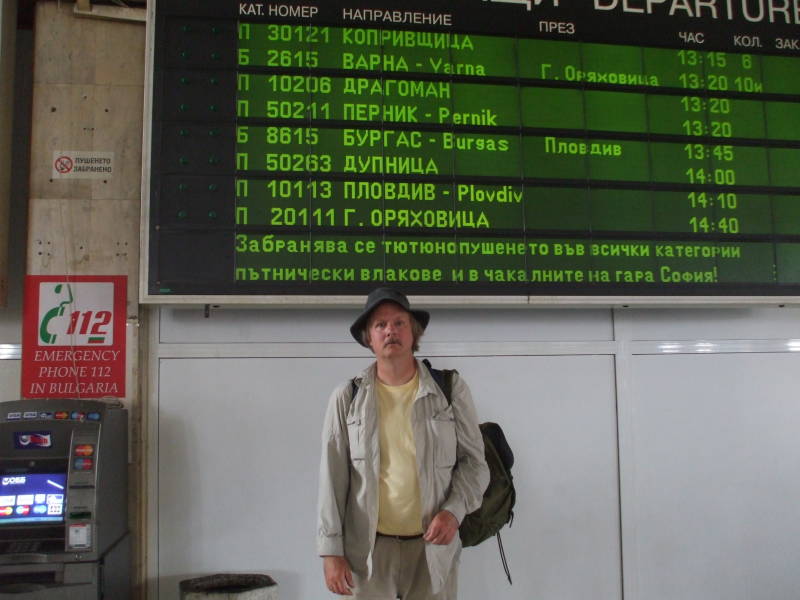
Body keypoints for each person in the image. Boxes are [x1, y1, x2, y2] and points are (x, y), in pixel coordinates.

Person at [317, 287, 490, 600]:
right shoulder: (348, 397)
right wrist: (331, 551)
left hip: (433, 550)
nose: (390, 331)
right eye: (380, 325)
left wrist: (453, 512)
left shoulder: (449, 390)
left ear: (414, 333)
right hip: (368, 554)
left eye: (399, 323)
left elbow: (476, 465)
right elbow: (332, 479)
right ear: (368, 337)